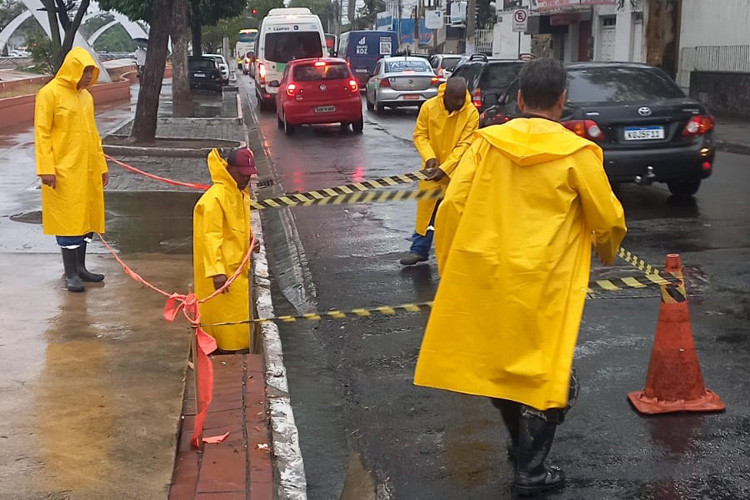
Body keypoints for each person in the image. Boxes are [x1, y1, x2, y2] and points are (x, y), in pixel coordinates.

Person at [413, 58, 627, 495]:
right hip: (545, 281)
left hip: (489, 272)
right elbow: (607, 218)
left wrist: (454, 262)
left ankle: (521, 447)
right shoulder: (578, 154)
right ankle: (530, 469)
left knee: (502, 365)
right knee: (548, 372)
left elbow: (452, 206)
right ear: (563, 100)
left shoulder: (486, 144)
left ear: (521, 99)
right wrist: (606, 251)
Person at [35, 47, 109, 293]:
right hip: (63, 170)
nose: (89, 76)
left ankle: (81, 268)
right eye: (85, 71)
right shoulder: (49, 94)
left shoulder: (86, 97)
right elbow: (42, 133)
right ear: (72, 69)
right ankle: (70, 274)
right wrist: (46, 168)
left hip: (87, 169)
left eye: (91, 71)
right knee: (68, 221)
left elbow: (94, 134)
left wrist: (101, 166)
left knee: (86, 219)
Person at [400, 76, 479, 266]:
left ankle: (459, 254)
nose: (460, 104)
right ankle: (419, 250)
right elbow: (420, 135)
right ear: (445, 95)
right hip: (432, 171)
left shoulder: (471, 113)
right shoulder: (429, 107)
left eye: (462, 99)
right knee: (428, 212)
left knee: (457, 215)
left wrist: (445, 169)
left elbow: (465, 145)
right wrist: (429, 158)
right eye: (456, 99)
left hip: (458, 173)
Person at [193, 148, 258, 352]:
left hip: (237, 269)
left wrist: (250, 241)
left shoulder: (238, 193)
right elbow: (210, 236)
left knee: (237, 320)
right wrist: (217, 271)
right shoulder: (214, 198)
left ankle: (235, 349)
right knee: (225, 322)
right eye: (242, 174)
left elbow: (238, 225)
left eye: (249, 175)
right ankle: (224, 351)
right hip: (224, 273)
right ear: (229, 169)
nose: (246, 178)